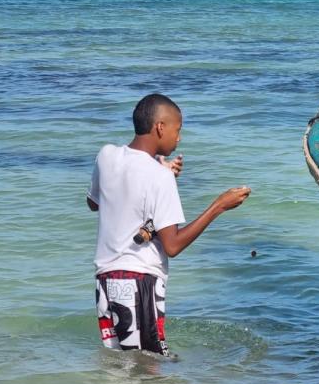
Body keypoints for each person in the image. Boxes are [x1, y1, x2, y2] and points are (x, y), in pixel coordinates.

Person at [86, 93, 250, 356]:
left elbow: (94, 202)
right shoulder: (160, 177)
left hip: (105, 280)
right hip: (140, 282)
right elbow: (172, 245)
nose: (179, 137)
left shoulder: (106, 156)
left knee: (121, 367)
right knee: (150, 367)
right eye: (178, 129)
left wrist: (158, 171)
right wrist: (219, 205)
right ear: (160, 127)